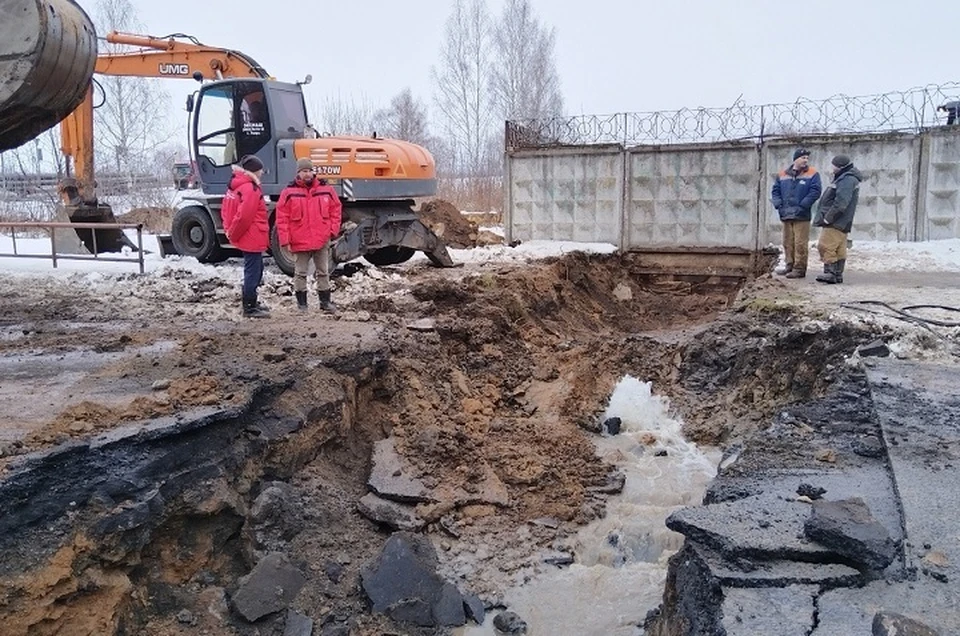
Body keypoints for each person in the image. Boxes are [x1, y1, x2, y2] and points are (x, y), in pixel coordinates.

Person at [275, 157, 343, 312]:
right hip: (300, 241)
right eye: (304, 171)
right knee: (300, 273)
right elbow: (282, 217)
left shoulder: (326, 190)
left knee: (323, 272)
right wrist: (285, 240)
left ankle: (325, 303)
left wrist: (332, 230)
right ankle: (302, 305)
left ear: (314, 172)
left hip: (321, 239)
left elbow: (336, 209)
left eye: (310, 170)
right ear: (298, 173)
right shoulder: (288, 193)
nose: (307, 174)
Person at [222, 154, 270, 317]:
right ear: (253, 171)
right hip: (252, 235)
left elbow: (226, 211)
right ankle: (249, 307)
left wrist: (229, 231)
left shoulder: (235, 186)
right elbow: (244, 216)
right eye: (260, 170)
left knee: (255, 269)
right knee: (253, 271)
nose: (262, 173)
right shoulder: (250, 189)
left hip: (248, 235)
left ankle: (251, 302)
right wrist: (234, 233)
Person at [771, 148, 822, 278]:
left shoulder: (812, 173)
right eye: (803, 157)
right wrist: (779, 205)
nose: (805, 160)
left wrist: (803, 205)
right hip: (786, 214)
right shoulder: (782, 174)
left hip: (801, 215)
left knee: (800, 243)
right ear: (795, 159)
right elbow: (776, 191)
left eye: (807, 158)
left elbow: (815, 191)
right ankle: (789, 264)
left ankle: (799, 268)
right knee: (787, 242)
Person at [814, 155, 862, 284]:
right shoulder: (848, 178)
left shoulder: (846, 180)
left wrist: (828, 218)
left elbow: (841, 203)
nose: (832, 167)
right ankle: (837, 274)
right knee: (839, 248)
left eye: (833, 165)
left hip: (836, 221)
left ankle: (830, 273)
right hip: (842, 221)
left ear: (839, 166)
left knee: (825, 245)